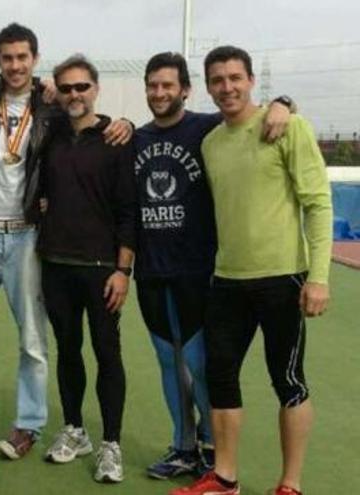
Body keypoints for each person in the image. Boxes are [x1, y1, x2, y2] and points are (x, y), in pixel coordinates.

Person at [0, 23, 132, 464]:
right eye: (7, 57)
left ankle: (28, 425)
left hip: (26, 234)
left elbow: (91, 119)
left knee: (32, 339)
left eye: (22, 57)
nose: (15, 65)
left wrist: (127, 123)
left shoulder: (52, 111)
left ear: (34, 59)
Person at [172, 45, 332, 495]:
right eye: (217, 80)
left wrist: (318, 277)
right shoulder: (210, 142)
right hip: (226, 281)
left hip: (284, 279)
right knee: (220, 377)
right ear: (207, 86)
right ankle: (225, 477)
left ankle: (290, 484)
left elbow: (318, 205)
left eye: (235, 78)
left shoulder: (287, 126)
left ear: (250, 81)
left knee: (288, 380)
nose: (227, 87)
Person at [134, 52, 294, 480]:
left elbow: (247, 110)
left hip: (198, 271)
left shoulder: (206, 127)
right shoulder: (136, 138)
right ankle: (183, 446)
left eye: (168, 85)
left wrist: (284, 101)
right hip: (151, 273)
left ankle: (210, 447)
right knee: (169, 363)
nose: (160, 93)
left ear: (185, 89)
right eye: (153, 85)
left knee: (201, 364)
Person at [35, 54, 135, 483]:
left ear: (95, 89)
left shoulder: (116, 137)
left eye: (83, 87)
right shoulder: (51, 135)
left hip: (101, 270)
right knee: (67, 351)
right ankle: (75, 430)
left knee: (106, 352)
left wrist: (123, 270)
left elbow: (130, 211)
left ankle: (111, 443)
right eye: (67, 88)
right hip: (55, 264)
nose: (75, 95)